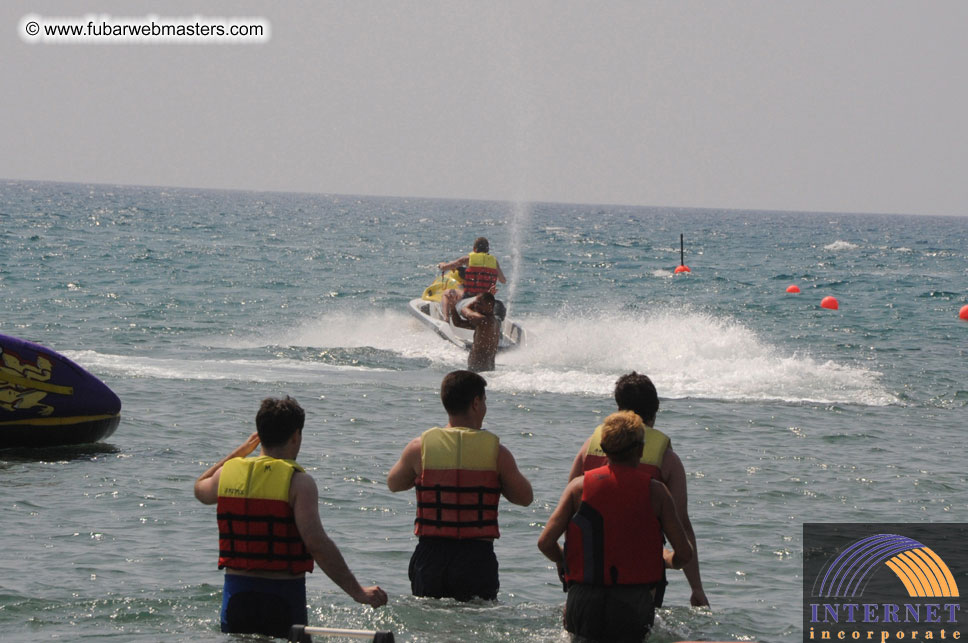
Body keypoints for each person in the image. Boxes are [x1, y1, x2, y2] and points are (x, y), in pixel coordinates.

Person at [194, 397, 387, 639]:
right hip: (282, 599)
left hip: (237, 600)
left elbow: (199, 488)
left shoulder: (226, 474)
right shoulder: (299, 483)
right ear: (296, 436)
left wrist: (239, 453)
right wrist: (357, 592)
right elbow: (316, 543)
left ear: (259, 435)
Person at [539, 411, 693, 642]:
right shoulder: (657, 493)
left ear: (603, 448)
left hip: (583, 601)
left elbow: (545, 543)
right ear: (640, 450)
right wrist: (666, 559)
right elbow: (685, 554)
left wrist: (565, 559)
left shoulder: (578, 488)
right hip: (632, 603)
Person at [387, 370, 533, 601]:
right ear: (476, 403)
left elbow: (393, 483)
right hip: (475, 559)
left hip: (431, 557)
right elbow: (525, 498)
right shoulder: (497, 454)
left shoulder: (419, 448)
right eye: (484, 401)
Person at [567, 372, 709, 607]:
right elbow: (682, 526)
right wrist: (696, 588)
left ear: (618, 409)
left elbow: (570, 517)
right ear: (655, 412)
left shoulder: (588, 448)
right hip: (641, 581)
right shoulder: (668, 460)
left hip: (589, 577)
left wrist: (567, 568)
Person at [437, 236, 507, 323]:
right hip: (487, 299)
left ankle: (446, 319)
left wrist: (441, 265)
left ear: (474, 249)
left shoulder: (467, 259)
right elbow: (503, 280)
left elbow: (445, 267)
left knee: (447, 293)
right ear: (487, 250)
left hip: (470, 298)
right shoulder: (494, 262)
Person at [454, 292, 501, 372]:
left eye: (479, 304)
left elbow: (464, 310)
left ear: (489, 305)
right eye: (475, 303)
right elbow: (458, 323)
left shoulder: (482, 320)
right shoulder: (492, 322)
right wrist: (452, 306)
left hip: (478, 370)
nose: (476, 306)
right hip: (487, 370)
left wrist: (473, 301)